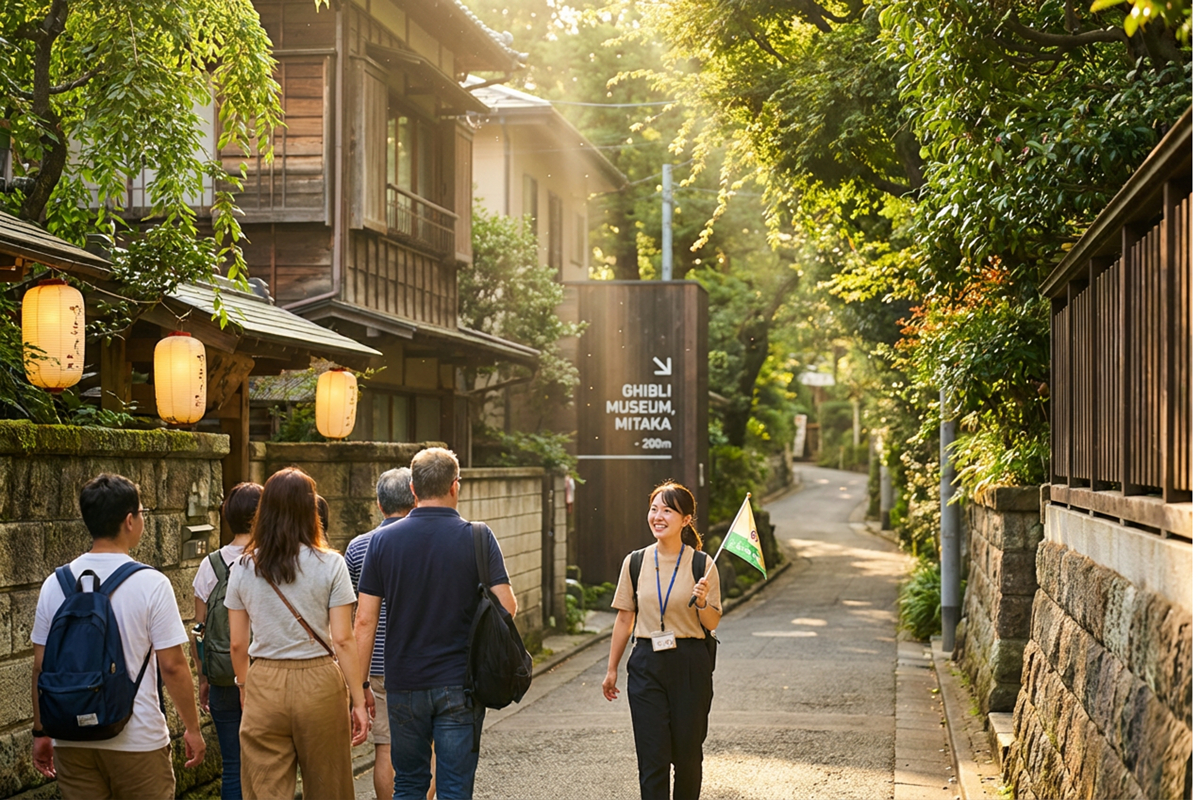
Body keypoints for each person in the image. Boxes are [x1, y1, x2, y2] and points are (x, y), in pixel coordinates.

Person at [30, 473, 206, 799]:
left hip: (70, 739)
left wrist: (41, 732)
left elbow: (40, 667)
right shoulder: (151, 584)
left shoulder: (54, 584)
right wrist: (192, 730)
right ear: (129, 520)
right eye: (141, 512)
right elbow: (173, 667)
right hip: (137, 740)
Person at [355, 447, 517, 800]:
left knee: (409, 784)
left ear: (413, 489)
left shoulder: (383, 540)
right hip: (460, 683)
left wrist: (360, 685)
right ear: (455, 486)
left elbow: (364, 622)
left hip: (403, 683)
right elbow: (507, 607)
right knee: (455, 787)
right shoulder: (478, 536)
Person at [225, 467, 369, 800]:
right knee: (328, 785)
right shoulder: (331, 564)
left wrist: (246, 686)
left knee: (264, 787)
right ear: (310, 509)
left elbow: (237, 643)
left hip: (264, 679)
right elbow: (344, 640)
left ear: (265, 510)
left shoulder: (244, 567)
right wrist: (358, 701)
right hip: (319, 679)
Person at [602, 481, 722, 800]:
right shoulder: (636, 561)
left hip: (690, 663)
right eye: (654, 509)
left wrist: (701, 602)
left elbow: (712, 622)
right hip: (646, 663)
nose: (658, 516)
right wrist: (612, 669)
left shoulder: (702, 564)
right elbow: (625, 617)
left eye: (667, 510)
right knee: (652, 757)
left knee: (686, 756)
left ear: (685, 520)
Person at [344, 468, 415, 800]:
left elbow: (351, 616)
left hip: (375, 666)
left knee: (385, 747)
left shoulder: (358, 548)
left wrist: (357, 682)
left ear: (378, 504)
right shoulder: (424, 541)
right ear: (415, 497)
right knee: (423, 745)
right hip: (418, 659)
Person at [191, 481, 262, 800]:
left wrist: (203, 676)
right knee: (267, 766)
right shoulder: (271, 560)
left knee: (232, 765)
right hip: (265, 675)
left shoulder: (211, 564)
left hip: (222, 675)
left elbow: (199, 629)